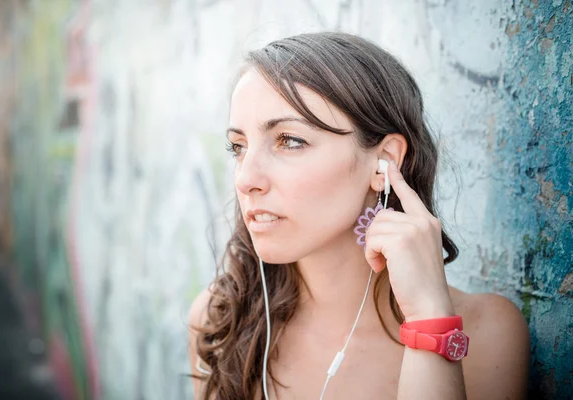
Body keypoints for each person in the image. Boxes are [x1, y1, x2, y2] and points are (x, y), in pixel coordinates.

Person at [188, 32, 530, 400]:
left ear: (385, 162)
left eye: (289, 140)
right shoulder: (221, 321)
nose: (246, 179)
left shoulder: (484, 334)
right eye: (238, 147)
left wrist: (429, 319)